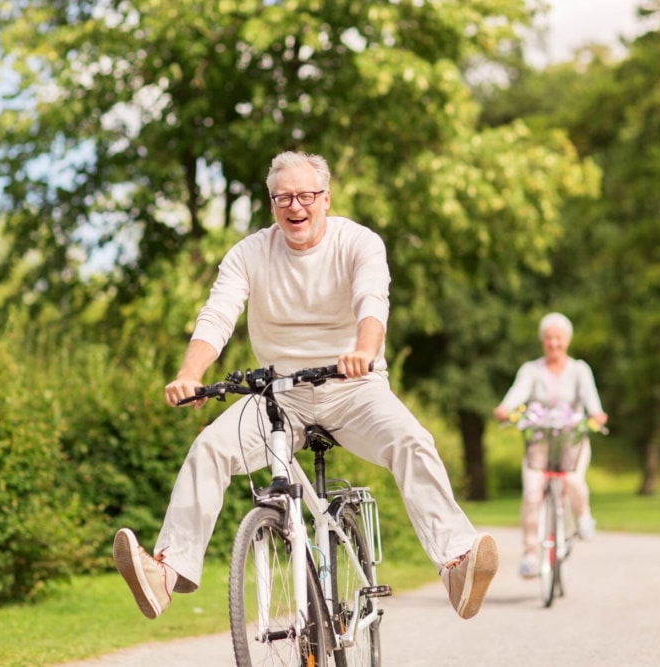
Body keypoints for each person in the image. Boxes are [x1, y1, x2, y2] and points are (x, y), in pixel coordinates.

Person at [113, 150, 498, 621]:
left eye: (305, 196)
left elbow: (372, 301)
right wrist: (189, 375)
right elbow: (217, 315)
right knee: (209, 448)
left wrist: (363, 349)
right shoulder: (250, 252)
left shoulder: (359, 243)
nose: (295, 206)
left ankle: (456, 563)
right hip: (279, 395)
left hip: (354, 388)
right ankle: (165, 574)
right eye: (283, 198)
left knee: (412, 441)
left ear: (325, 198)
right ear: (271, 204)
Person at [492, 312, 608, 579]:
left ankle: (583, 517)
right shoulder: (531, 370)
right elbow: (517, 393)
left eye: (558, 338)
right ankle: (531, 555)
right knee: (532, 493)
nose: (553, 344)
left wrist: (597, 414)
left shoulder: (579, 370)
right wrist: (505, 408)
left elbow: (592, 401)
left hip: (571, 440)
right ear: (542, 341)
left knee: (573, 480)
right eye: (548, 338)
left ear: (567, 340)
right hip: (540, 442)